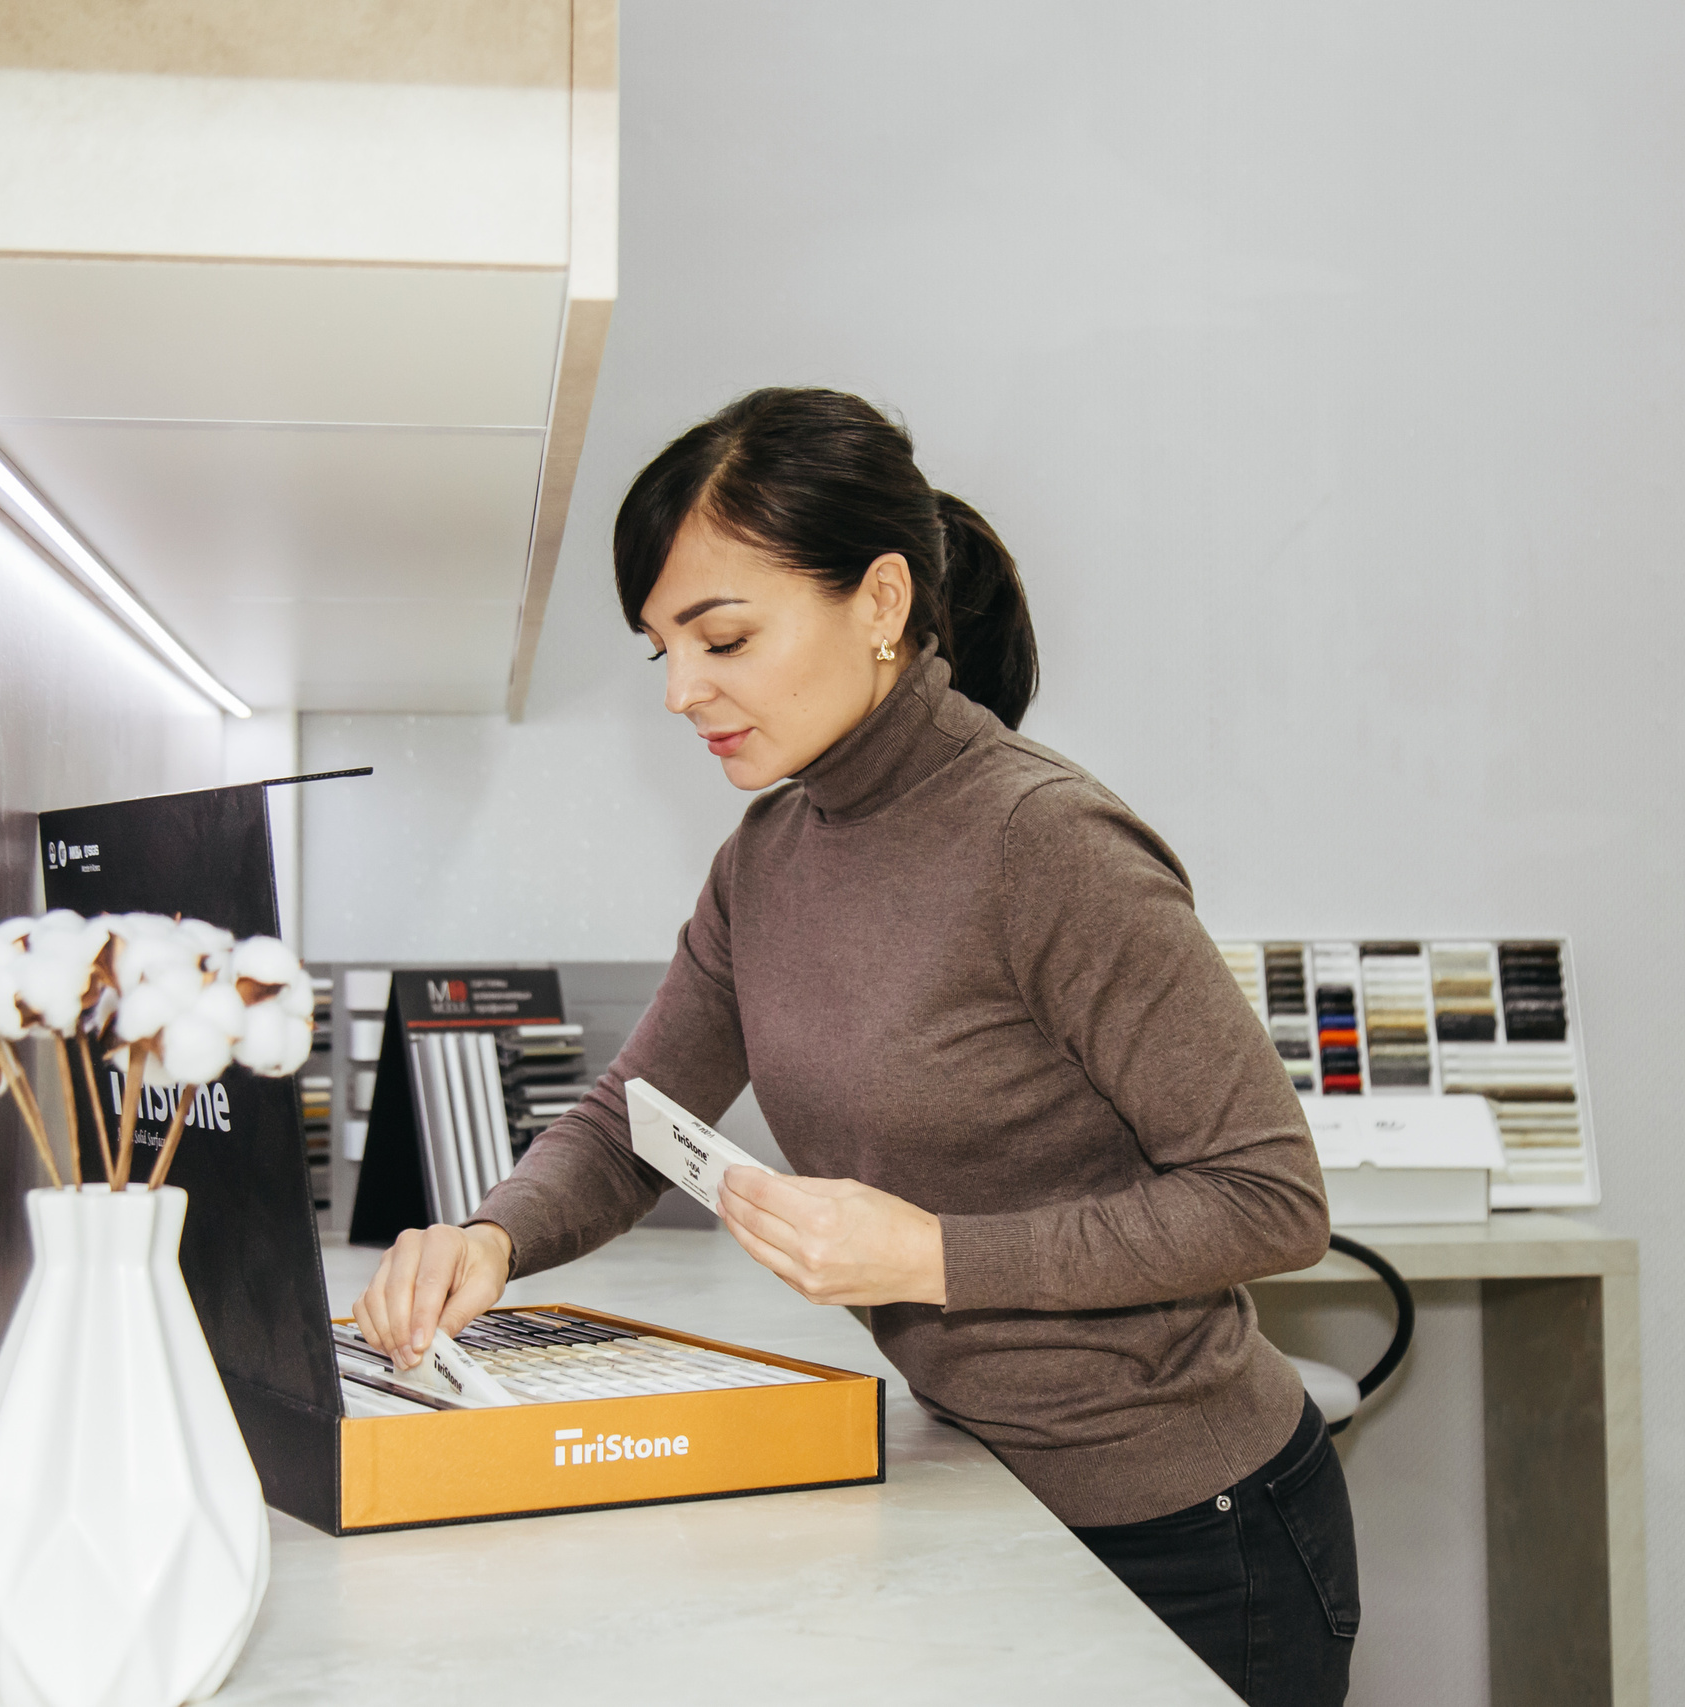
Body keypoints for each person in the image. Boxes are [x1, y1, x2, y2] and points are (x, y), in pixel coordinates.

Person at [356, 387, 1358, 1705]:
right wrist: (490, 1239)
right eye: (659, 647)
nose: (680, 691)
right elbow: (628, 1120)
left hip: (1192, 1534)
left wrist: (928, 1257)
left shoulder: (1047, 844)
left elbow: (1273, 1198)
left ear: (881, 604)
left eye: (720, 636)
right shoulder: (763, 863)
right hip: (989, 1481)